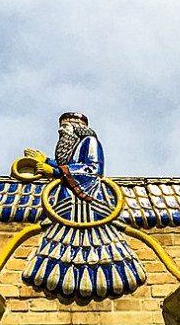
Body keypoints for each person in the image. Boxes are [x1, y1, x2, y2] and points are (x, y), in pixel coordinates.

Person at [21, 113, 146, 299]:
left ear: (75, 127)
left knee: (93, 243)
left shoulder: (90, 142)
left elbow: (91, 169)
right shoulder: (73, 146)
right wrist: (46, 161)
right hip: (67, 202)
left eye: (65, 127)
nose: (61, 131)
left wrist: (54, 171)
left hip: (88, 201)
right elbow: (70, 166)